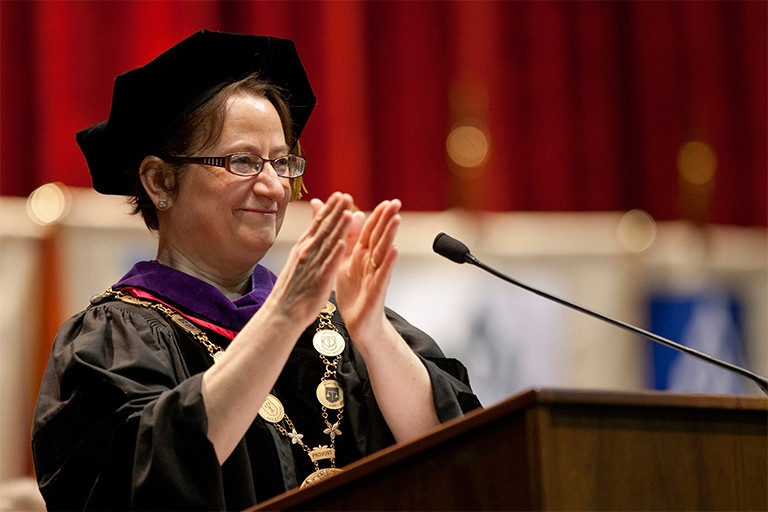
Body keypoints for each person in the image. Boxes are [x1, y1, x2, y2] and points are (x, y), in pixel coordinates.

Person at [31, 30, 481, 511]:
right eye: (243, 161)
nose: (274, 187)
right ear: (161, 180)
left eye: (283, 162)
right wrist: (282, 318)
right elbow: (135, 484)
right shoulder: (115, 340)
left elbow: (458, 461)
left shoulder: (339, 316)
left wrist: (371, 332)